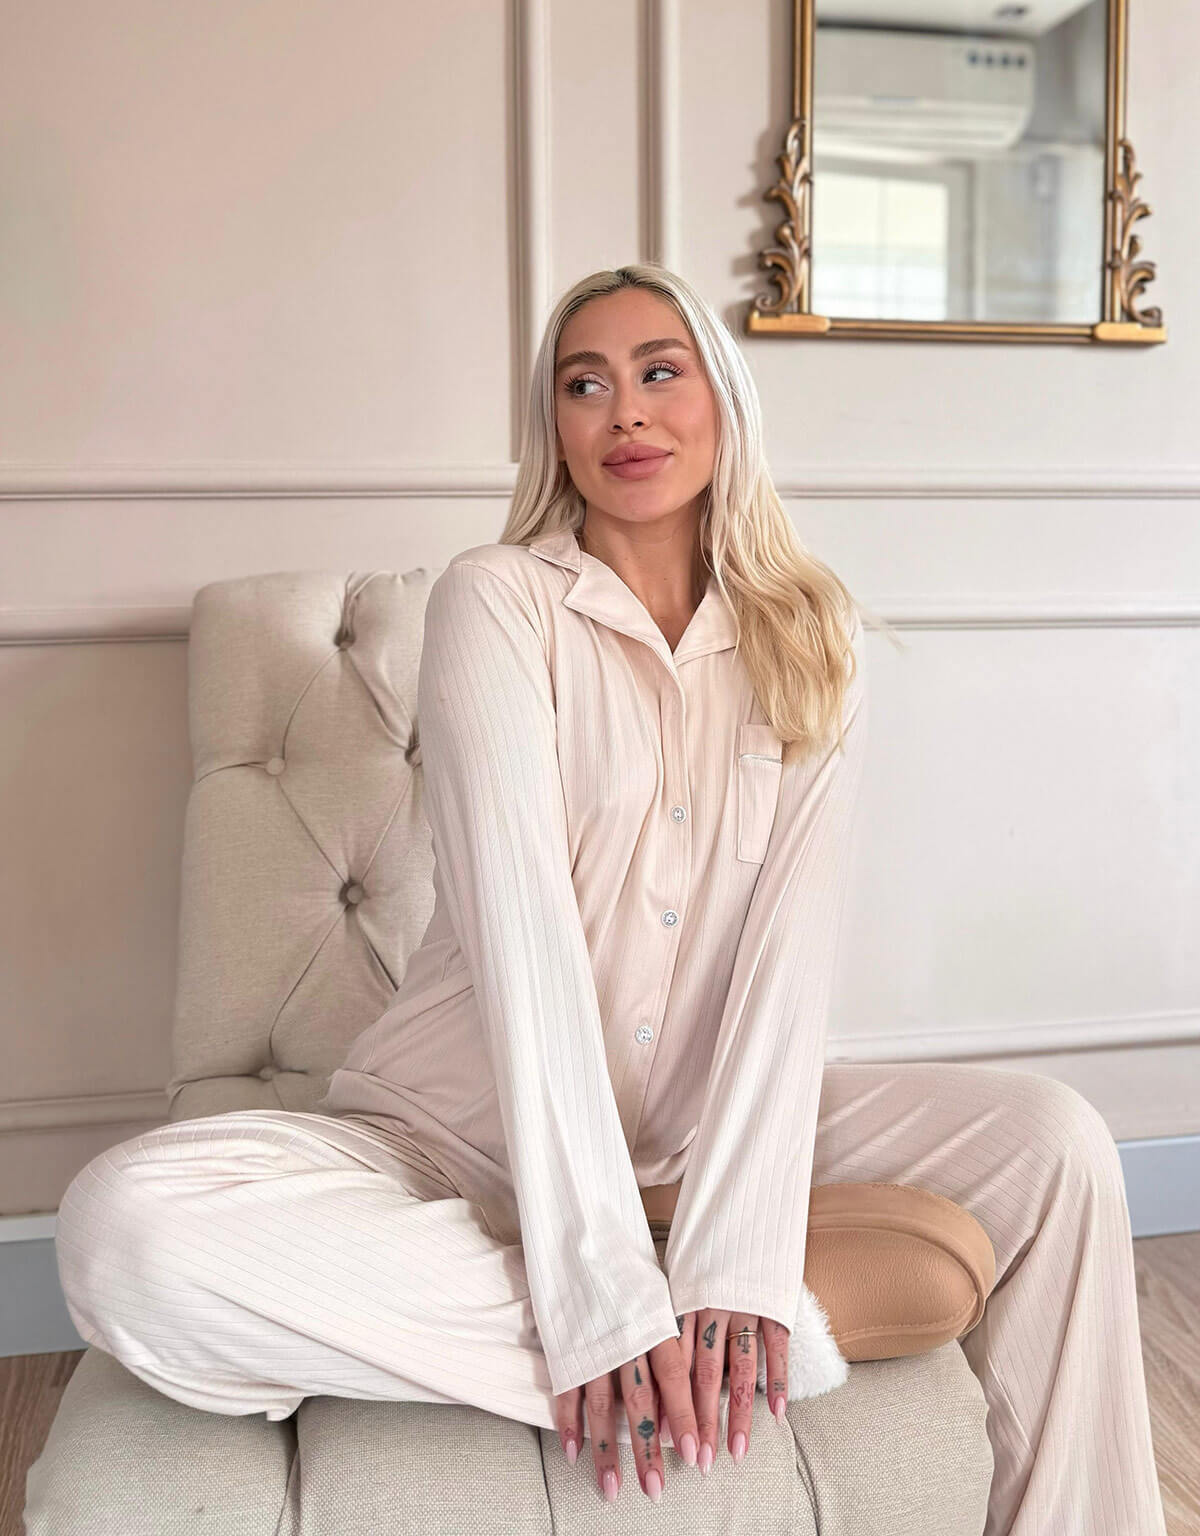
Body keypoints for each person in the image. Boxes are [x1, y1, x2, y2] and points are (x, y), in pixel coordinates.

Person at [55, 264, 1168, 1530]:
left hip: (699, 1149)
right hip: (449, 1142)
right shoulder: (496, 599)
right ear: (556, 427)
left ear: (722, 400)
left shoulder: (812, 632)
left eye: (659, 373)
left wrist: (737, 1246)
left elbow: (788, 967)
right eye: (585, 385)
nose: (625, 411)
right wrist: (600, 1299)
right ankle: (759, 1338)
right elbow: (524, 941)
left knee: (1054, 1142)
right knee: (123, 1236)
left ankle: (737, 1312)